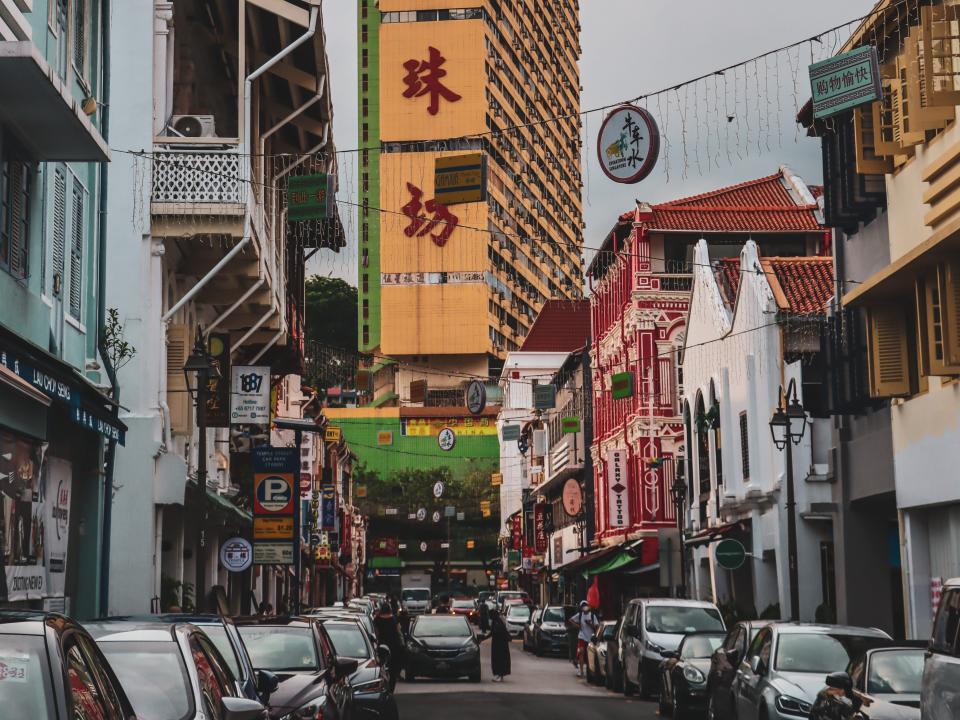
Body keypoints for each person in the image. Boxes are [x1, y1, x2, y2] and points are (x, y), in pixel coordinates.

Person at [373, 601, 404, 689]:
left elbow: (376, 633)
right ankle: (391, 687)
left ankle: (383, 685)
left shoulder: (377, 620)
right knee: (393, 668)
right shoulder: (395, 619)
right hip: (394, 646)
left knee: (382, 666)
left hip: (382, 646)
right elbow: (399, 632)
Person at [570, 600, 599, 678]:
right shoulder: (579, 615)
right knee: (581, 651)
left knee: (589, 654)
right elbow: (571, 620)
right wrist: (577, 625)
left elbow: (597, 627)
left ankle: (589, 671)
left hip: (590, 638)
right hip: (582, 636)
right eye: (583, 606)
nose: (585, 607)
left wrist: (590, 624)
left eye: (586, 605)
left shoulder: (592, 616)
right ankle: (581, 671)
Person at [488, 608, 511, 682]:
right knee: (498, 659)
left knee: (499, 659)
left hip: (500, 644)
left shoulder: (497, 622)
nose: (489, 617)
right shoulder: (497, 621)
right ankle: (499, 675)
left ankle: (499, 675)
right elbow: (492, 632)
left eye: (490, 615)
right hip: (498, 644)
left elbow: (495, 632)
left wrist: (484, 638)